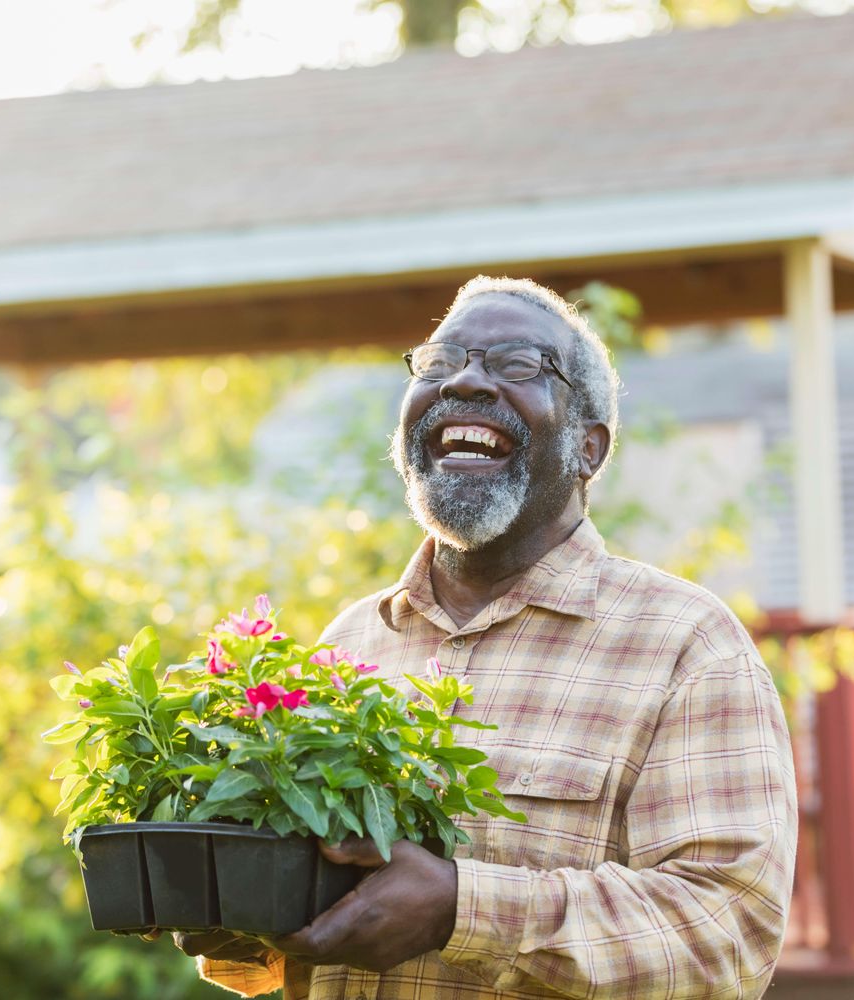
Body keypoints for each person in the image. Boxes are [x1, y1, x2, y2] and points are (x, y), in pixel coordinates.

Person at [175, 275, 798, 999]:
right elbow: (292, 951)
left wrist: (459, 909)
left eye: (519, 367)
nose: (466, 380)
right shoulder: (349, 643)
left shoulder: (687, 646)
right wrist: (238, 918)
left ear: (588, 449)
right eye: (439, 364)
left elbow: (725, 934)